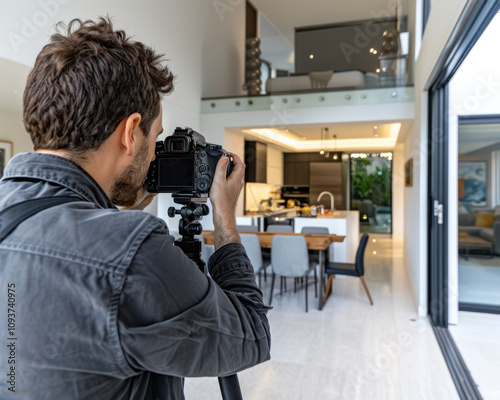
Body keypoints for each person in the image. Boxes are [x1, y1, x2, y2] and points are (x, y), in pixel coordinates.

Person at [0, 17, 271, 399]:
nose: (154, 157)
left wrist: (122, 204)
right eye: (154, 137)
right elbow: (250, 336)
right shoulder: (130, 247)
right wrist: (224, 216)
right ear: (130, 132)